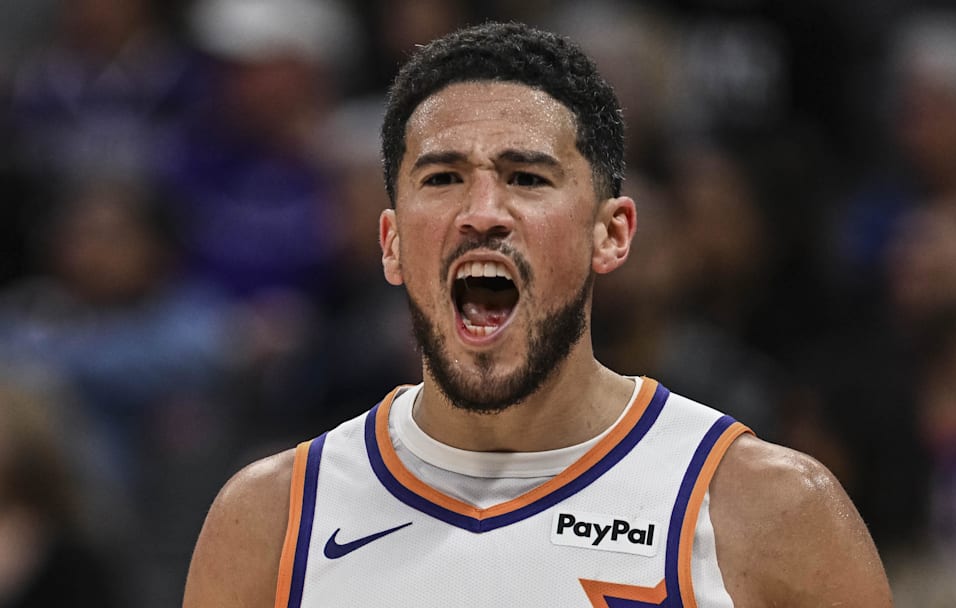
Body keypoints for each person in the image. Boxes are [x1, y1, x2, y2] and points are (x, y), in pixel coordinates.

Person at [183, 22, 892, 607]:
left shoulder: (769, 511)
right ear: (392, 243)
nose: (483, 213)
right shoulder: (270, 523)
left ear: (610, 235)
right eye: (443, 178)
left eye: (526, 177)